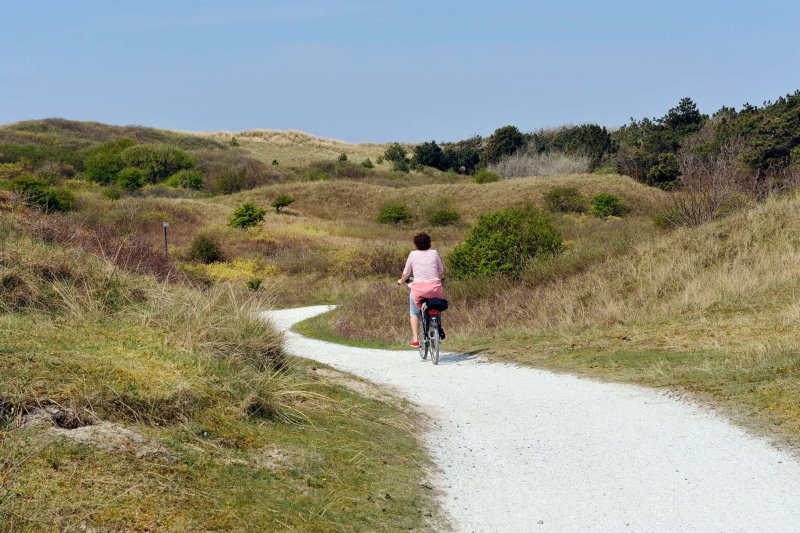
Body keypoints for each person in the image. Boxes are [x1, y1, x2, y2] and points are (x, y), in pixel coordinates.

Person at [397, 232, 445, 347]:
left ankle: (415, 339)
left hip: (419, 290)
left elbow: (406, 273)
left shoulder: (413, 254)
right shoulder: (434, 253)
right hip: (435, 288)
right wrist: (442, 278)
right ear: (429, 243)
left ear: (416, 244)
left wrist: (401, 281)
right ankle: (438, 325)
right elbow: (440, 270)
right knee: (437, 305)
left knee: (413, 312)